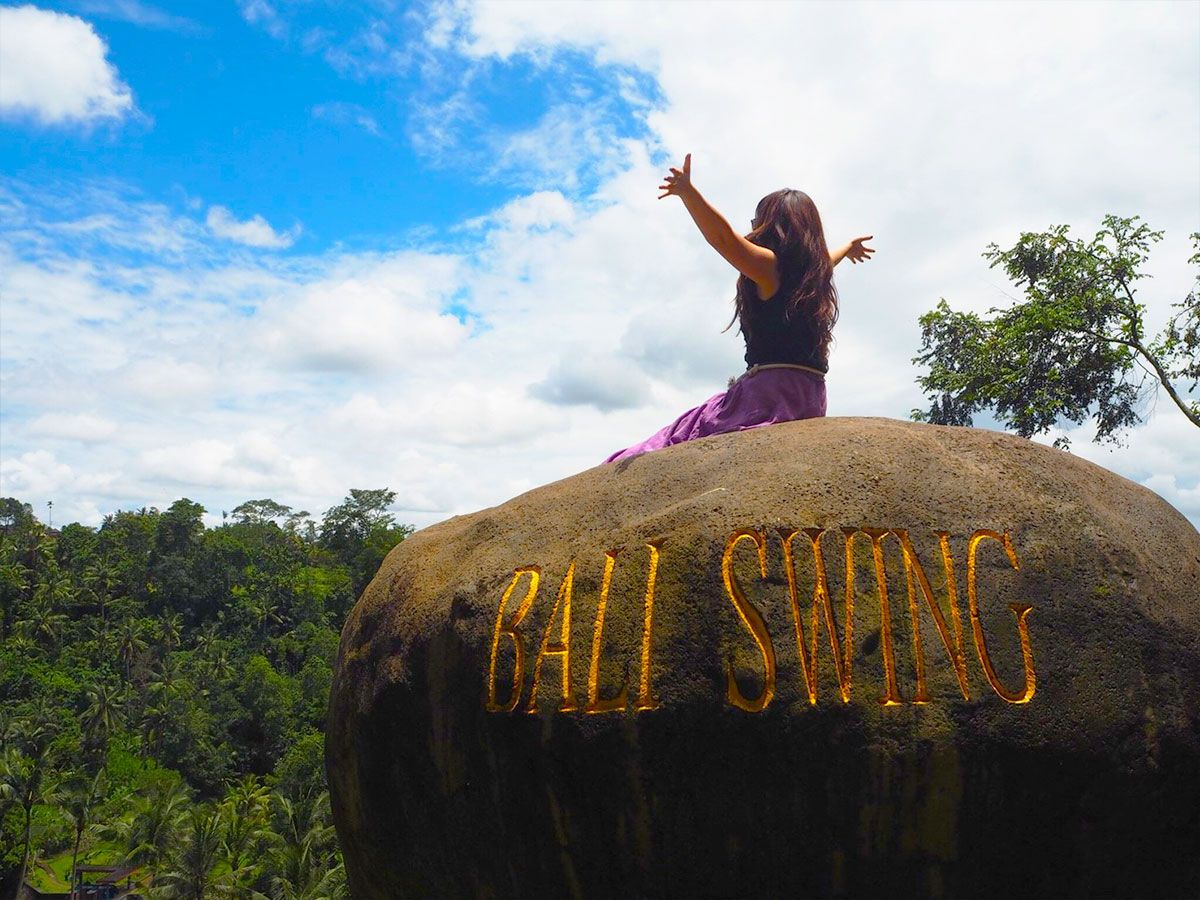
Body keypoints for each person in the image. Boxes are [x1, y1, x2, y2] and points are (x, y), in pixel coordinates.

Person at [604, 154, 874, 463]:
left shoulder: (768, 267)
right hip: (810, 397)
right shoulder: (813, 276)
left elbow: (723, 239)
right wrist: (848, 248)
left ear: (772, 226)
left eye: (757, 220)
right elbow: (826, 259)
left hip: (769, 397)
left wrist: (689, 194)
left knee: (677, 435)